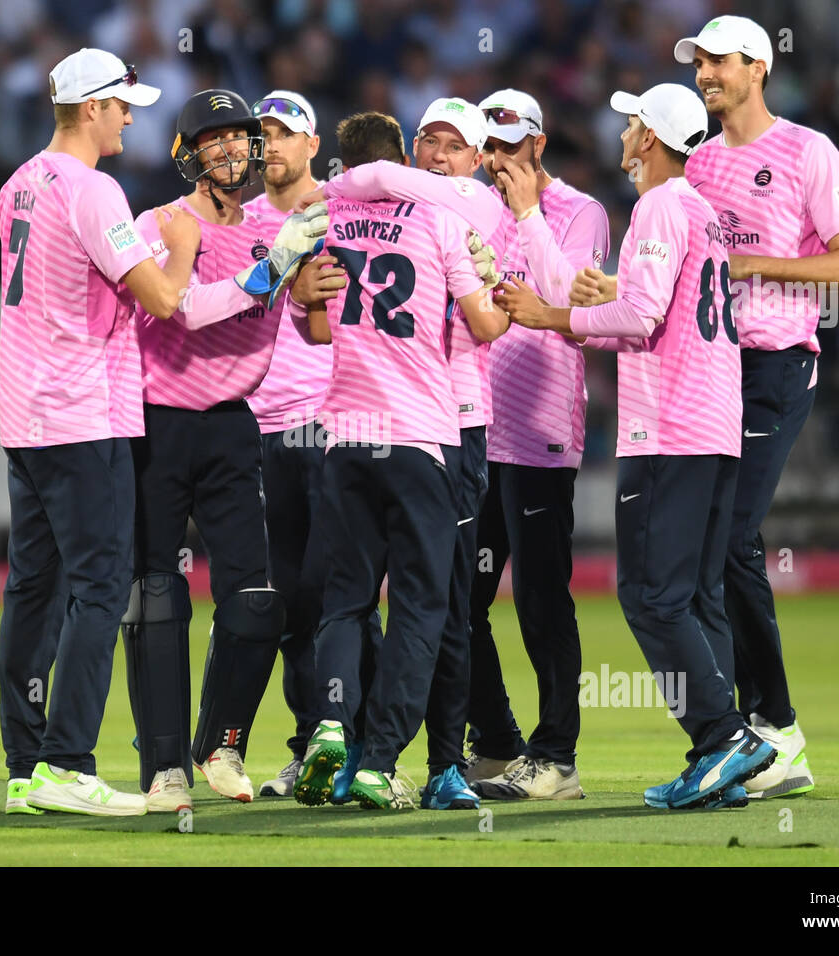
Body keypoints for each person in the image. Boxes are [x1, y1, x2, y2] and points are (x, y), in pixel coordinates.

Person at [501, 83, 775, 809]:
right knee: (692, 597)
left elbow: (642, 317)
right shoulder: (704, 213)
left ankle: (724, 739)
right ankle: (721, 762)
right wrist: (588, 285)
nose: (622, 134)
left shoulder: (658, 204)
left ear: (650, 137)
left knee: (649, 595)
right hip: (715, 425)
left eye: (630, 124)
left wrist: (555, 314)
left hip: (669, 430)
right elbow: (660, 302)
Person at [0, 48, 200, 817]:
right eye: (121, 106)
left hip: (26, 413)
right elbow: (163, 300)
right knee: (99, 586)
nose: (129, 117)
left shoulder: (18, 184)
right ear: (90, 109)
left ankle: (24, 767)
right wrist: (178, 250)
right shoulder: (95, 189)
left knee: (32, 588)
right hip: (83, 413)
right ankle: (68, 762)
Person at [293, 96, 507, 810]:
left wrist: (300, 292)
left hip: (354, 434)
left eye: (452, 144)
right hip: (424, 431)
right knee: (427, 607)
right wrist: (511, 300)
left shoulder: (333, 217)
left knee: (353, 604)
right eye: (427, 143)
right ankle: (387, 759)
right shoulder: (445, 217)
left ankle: (337, 727)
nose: (438, 156)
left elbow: (317, 323)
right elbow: (484, 322)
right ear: (406, 153)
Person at [675, 15, 839, 797]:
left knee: (729, 540)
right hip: (712, 367)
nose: (705, 74)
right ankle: (750, 735)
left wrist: (755, 262)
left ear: (759, 66)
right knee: (717, 548)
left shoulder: (806, 149)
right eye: (699, 63)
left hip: (779, 364)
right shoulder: (697, 164)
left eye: (718, 61)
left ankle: (776, 730)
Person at [123, 88, 329, 812]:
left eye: (238, 137)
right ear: (187, 153)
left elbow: (308, 326)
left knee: (257, 596)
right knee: (155, 595)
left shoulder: (274, 233)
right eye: (211, 139)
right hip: (158, 425)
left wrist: (311, 292)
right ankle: (163, 768)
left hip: (233, 425)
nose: (230, 149)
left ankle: (221, 744)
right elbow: (183, 311)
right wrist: (274, 270)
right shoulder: (159, 225)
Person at [464, 89, 610, 802]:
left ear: (539, 144)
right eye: (489, 147)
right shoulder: (473, 206)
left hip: (542, 428)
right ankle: (496, 743)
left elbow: (572, 305)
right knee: (459, 599)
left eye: (511, 145)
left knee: (541, 600)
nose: (499, 160)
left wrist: (527, 215)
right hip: (470, 423)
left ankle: (557, 758)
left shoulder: (580, 212)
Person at [240, 91, 348, 799]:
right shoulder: (238, 220)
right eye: (263, 135)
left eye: (285, 133)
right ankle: (311, 744)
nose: (271, 145)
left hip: (332, 422)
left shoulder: (343, 215)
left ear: (314, 145)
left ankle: (351, 739)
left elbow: (350, 323)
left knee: (333, 593)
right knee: (282, 603)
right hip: (258, 426)